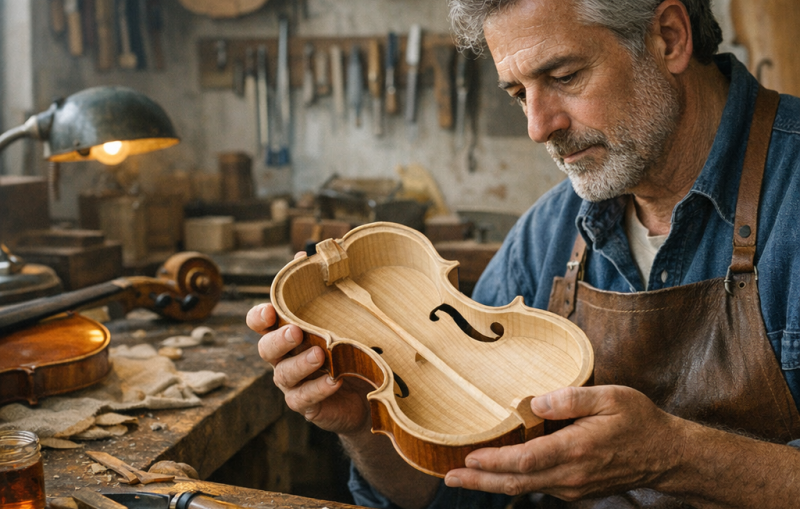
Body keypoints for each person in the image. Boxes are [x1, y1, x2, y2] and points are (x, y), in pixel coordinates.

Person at [247, 0, 800, 507]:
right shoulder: (549, 234)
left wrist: (674, 455)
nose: (539, 127)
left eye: (564, 76)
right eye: (517, 94)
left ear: (670, 37)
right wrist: (366, 423)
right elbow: (458, 494)